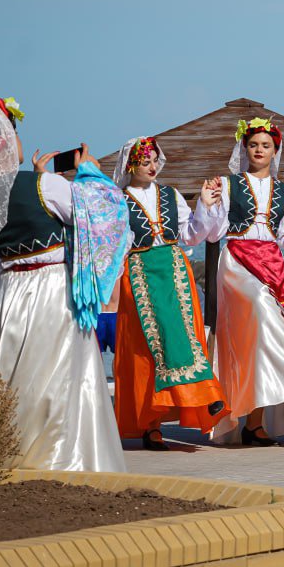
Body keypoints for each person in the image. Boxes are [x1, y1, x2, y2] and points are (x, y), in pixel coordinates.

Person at [0, 98, 128, 471]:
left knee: (11, 376)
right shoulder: (45, 184)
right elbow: (100, 216)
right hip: (51, 291)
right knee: (61, 376)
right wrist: (89, 173)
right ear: (7, 142)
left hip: (9, 294)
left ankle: (8, 453)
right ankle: (61, 458)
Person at [193, 117, 284, 446]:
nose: (259, 150)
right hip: (237, 260)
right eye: (253, 145)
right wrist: (207, 205)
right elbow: (212, 232)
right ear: (245, 148)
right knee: (260, 310)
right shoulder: (228, 185)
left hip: (273, 261)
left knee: (255, 343)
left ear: (275, 151)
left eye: (265, 146)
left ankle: (254, 425)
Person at [111, 137, 227, 451]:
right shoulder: (119, 200)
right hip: (139, 272)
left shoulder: (169, 194)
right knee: (148, 348)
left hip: (175, 268)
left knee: (186, 336)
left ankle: (208, 398)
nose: (150, 166)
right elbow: (115, 244)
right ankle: (151, 426)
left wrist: (204, 204)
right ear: (130, 164)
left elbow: (191, 234)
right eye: (143, 160)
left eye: (153, 160)